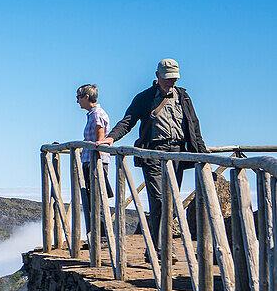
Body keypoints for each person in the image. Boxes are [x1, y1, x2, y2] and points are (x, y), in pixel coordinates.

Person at [98, 58, 207, 252]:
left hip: (177, 153)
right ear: (157, 76)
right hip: (153, 153)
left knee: (172, 201)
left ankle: (157, 247)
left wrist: (203, 153)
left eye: (174, 78)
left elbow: (194, 125)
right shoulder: (145, 97)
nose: (171, 82)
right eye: (167, 78)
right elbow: (128, 121)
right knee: (158, 201)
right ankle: (161, 249)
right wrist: (111, 137)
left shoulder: (183, 97)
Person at [77, 84, 111, 240]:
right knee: (93, 197)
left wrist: (97, 144)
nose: (77, 101)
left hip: (95, 160)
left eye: (78, 97)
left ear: (86, 97)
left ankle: (101, 237)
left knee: (97, 197)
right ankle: (96, 236)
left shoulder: (96, 113)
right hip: (92, 159)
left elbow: (99, 130)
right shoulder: (93, 113)